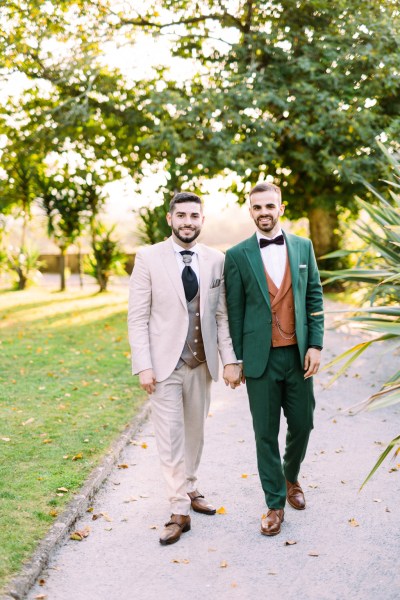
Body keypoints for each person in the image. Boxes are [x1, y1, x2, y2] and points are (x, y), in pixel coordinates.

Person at [128, 191, 241, 546]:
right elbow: (138, 317)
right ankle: (179, 510)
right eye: (182, 216)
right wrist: (143, 365)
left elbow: (220, 315)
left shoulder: (216, 259)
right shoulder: (148, 257)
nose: (188, 222)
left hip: (200, 362)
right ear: (170, 219)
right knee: (171, 436)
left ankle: (190, 488)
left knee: (195, 434)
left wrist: (230, 360)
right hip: (163, 366)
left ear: (202, 220)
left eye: (194, 216)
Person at [224, 182, 324, 536]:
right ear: (250, 211)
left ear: (281, 208)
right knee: (264, 433)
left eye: (270, 206)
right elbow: (234, 311)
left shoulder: (303, 247)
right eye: (257, 207)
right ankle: (274, 503)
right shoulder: (236, 255)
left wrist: (316, 345)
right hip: (259, 359)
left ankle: (291, 475)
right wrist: (233, 359)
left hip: (298, 357)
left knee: (303, 424)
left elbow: (314, 298)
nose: (264, 212)